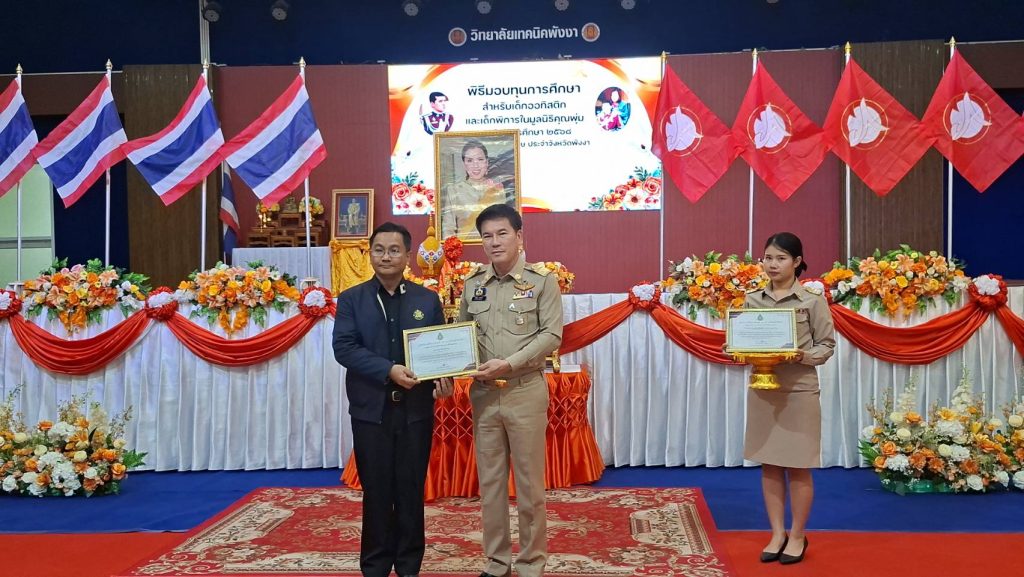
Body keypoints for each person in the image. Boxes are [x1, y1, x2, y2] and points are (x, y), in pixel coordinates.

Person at [332, 222, 453, 577]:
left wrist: (444, 378)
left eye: (394, 250)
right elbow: (344, 348)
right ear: (370, 255)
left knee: (411, 490)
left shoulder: (426, 300)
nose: (386, 256)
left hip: (416, 412)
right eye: (379, 250)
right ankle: (375, 566)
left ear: (408, 256)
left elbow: (439, 350)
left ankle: (410, 566)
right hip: (371, 412)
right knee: (377, 491)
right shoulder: (351, 299)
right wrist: (389, 370)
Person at [449, 204, 562, 577]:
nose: (494, 242)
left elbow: (551, 335)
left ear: (519, 236)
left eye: (502, 233)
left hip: (524, 390)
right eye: (487, 236)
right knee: (491, 485)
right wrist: (446, 368)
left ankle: (530, 564)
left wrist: (509, 364)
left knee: (529, 486)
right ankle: (497, 562)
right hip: (484, 395)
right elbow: (461, 337)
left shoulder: (541, 282)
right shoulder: (473, 284)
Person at [742, 232, 835, 566]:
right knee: (769, 464)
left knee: (798, 466)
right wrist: (735, 349)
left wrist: (802, 356)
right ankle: (777, 533)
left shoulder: (812, 301)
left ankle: (797, 535)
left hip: (799, 391)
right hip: (763, 390)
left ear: (796, 262)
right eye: (768, 258)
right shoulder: (751, 300)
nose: (772, 264)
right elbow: (742, 340)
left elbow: (827, 345)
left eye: (780, 258)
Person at [441, 140, 507, 240]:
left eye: (480, 159)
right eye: (470, 160)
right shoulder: (453, 190)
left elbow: (504, 225)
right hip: (464, 247)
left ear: (487, 162)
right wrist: (453, 247)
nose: (475, 165)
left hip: (494, 245)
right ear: (464, 164)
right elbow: (448, 229)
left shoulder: (497, 189)